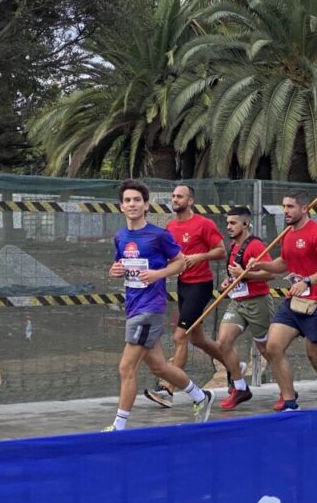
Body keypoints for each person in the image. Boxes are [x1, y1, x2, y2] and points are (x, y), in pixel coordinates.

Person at [108, 180, 214, 430]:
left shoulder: (159, 235)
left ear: (146, 205)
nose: (132, 204)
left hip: (149, 308)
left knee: (126, 367)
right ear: (121, 207)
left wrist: (158, 274)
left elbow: (180, 262)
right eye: (127, 200)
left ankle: (118, 427)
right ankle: (201, 396)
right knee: (158, 366)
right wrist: (114, 270)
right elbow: (120, 264)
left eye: (137, 200)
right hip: (132, 306)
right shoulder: (120, 237)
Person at [248, 190, 317, 411]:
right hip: (294, 303)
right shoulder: (288, 233)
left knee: (316, 358)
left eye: (290, 207)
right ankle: (290, 402)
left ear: (305, 208)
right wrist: (262, 264)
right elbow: (284, 262)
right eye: (284, 206)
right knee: (273, 346)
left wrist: (308, 281)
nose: (286, 211)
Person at [145, 184, 227, 408]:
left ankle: (167, 389)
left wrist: (199, 257)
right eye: (173, 196)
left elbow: (221, 251)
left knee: (180, 337)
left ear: (190, 201)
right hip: (183, 285)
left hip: (201, 285)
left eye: (179, 196)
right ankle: (232, 366)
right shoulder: (171, 226)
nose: (175, 199)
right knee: (198, 339)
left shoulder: (204, 224)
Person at [216, 206, 275, 411]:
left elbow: (270, 275)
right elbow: (235, 274)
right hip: (237, 302)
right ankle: (240, 387)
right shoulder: (233, 246)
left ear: (245, 223)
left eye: (233, 223)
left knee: (267, 349)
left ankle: (287, 390)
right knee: (223, 342)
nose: (229, 227)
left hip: (257, 302)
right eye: (227, 223)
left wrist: (246, 275)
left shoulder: (256, 246)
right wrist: (228, 281)